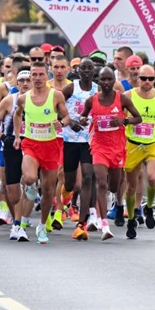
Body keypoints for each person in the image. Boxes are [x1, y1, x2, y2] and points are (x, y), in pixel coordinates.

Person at [79, 67, 142, 241]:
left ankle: (111, 201)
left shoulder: (122, 99)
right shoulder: (92, 101)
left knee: (113, 187)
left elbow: (138, 118)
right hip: (99, 146)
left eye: (109, 80)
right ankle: (104, 223)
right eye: (102, 80)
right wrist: (83, 119)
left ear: (113, 81)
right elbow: (82, 117)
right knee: (100, 182)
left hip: (117, 147)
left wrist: (124, 120)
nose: (106, 83)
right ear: (98, 81)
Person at [12, 61, 71, 244]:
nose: (37, 79)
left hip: (50, 146)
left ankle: (42, 225)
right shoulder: (23, 98)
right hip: (31, 144)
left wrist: (62, 123)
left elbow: (67, 116)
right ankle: (29, 186)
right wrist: (17, 136)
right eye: (34, 75)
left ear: (47, 76)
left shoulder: (56, 95)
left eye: (40, 75)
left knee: (48, 191)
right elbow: (16, 114)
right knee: (29, 177)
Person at [124, 64, 155, 239]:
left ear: (154, 80)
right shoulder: (128, 96)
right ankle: (131, 219)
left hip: (152, 143)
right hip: (133, 143)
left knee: (152, 177)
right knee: (131, 186)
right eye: (143, 78)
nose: (147, 82)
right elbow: (120, 116)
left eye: (151, 79)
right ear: (137, 78)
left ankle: (149, 207)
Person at [0, 69, 32, 242]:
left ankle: (20, 223)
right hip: (11, 144)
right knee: (13, 191)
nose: (24, 83)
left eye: (28, 80)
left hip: (33, 143)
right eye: (21, 80)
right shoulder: (10, 100)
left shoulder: (40, 100)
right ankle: (16, 220)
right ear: (16, 83)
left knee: (29, 179)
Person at [62, 58, 98, 239]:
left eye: (89, 68)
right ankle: (65, 198)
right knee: (70, 184)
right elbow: (57, 105)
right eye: (83, 68)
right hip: (69, 139)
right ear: (78, 70)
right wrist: (70, 121)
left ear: (94, 71)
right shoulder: (71, 88)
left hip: (89, 140)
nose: (86, 71)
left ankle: (81, 223)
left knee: (88, 177)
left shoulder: (97, 90)